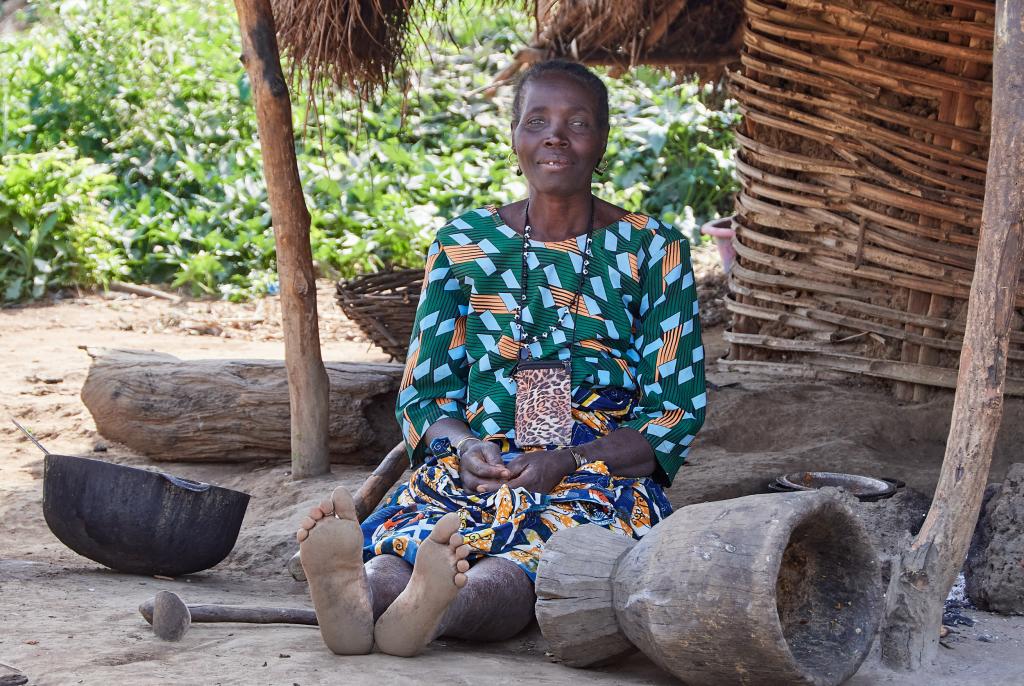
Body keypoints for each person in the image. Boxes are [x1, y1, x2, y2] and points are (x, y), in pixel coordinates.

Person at [295, 58, 706, 658]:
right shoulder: (464, 245)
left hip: (591, 476)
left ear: (604, 138)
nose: (555, 137)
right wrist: (464, 449)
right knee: (406, 546)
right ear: (514, 135)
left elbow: (674, 413)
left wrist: (569, 458)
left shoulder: (653, 250)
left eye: (578, 122)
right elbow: (427, 394)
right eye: (537, 120)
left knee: (526, 569)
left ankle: (431, 609)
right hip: (476, 463)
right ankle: (365, 600)